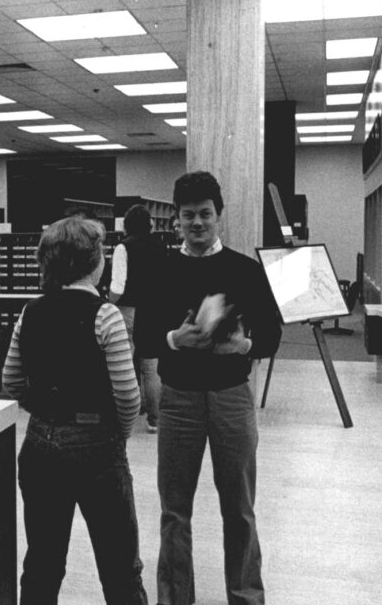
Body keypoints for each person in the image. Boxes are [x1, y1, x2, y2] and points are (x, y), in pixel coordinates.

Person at [137, 171, 281, 605]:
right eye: (188, 216)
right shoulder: (160, 269)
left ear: (219, 216)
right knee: (174, 511)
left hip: (232, 397)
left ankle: (246, 596)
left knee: (238, 508)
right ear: (176, 220)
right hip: (178, 399)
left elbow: (273, 334)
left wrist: (246, 345)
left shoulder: (245, 270)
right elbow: (143, 335)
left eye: (205, 214)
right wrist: (173, 340)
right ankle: (175, 599)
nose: (197, 223)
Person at [2, 216, 150, 605]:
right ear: (94, 261)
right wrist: (117, 435)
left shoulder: (29, 311)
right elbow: (128, 396)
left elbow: (11, 381)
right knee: (120, 568)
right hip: (96, 445)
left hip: (39, 444)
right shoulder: (106, 315)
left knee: (42, 564)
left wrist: (42, 410)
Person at [109, 204, 166, 433]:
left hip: (128, 310)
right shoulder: (160, 245)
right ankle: (155, 420)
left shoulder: (124, 247)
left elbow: (118, 285)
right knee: (151, 368)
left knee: (125, 364)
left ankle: (126, 417)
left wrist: (107, 303)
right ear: (150, 224)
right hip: (154, 310)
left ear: (126, 225)